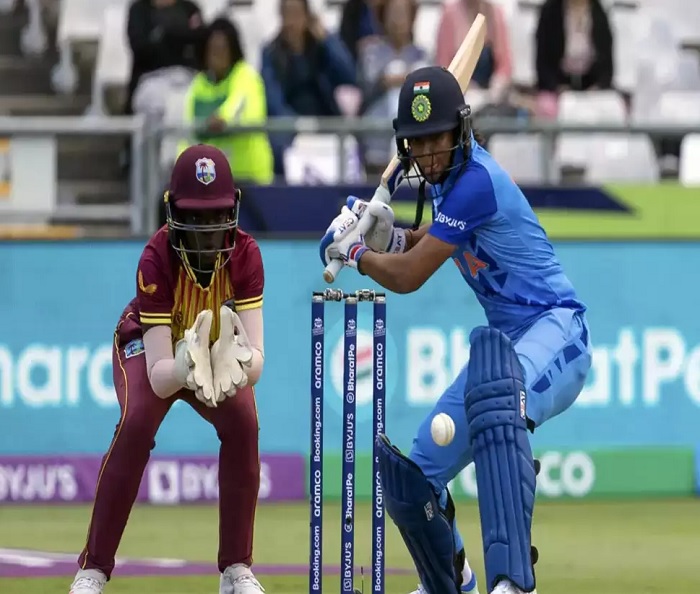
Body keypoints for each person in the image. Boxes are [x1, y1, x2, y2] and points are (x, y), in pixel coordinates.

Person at [320, 66, 592, 594]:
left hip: (558, 330)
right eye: (417, 142)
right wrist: (387, 237)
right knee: (415, 478)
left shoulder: (476, 182)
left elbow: (409, 276)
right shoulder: (449, 188)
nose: (427, 154)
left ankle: (513, 583)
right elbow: (425, 244)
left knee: (499, 401)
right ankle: (452, 582)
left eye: (437, 138)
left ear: (461, 130)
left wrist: (355, 254)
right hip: (506, 346)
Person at [69, 145, 266, 594]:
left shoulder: (247, 254)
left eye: (215, 216)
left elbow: (257, 357)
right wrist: (184, 364)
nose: (206, 232)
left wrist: (236, 361)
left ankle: (236, 569)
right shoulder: (156, 257)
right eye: (194, 217)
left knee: (244, 424)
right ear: (173, 212)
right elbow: (160, 377)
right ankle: (93, 570)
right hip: (152, 347)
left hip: (212, 351)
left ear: (232, 210)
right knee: (136, 423)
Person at [180, 17, 274, 185]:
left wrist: (223, 118)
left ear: (233, 50)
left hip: (249, 178)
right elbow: (187, 131)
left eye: (222, 49)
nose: (217, 55)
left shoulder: (246, 76)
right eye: (212, 49)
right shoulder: (198, 85)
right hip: (210, 180)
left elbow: (243, 110)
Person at [358, 0, 429, 170]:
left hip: (414, 133)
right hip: (378, 131)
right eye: (393, 13)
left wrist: (399, 79)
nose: (397, 20)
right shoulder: (371, 51)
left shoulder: (421, 55)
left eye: (402, 13)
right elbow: (368, 84)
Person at [535, 0, 614, 117]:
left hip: (590, 86)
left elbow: (607, 64)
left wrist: (598, 87)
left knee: (609, 108)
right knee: (549, 109)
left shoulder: (599, 13)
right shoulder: (550, 11)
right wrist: (557, 87)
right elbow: (542, 62)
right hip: (559, 85)